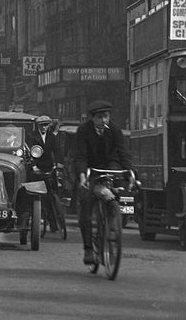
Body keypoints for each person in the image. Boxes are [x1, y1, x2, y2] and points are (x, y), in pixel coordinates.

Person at [71, 100, 134, 265]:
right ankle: (88, 249)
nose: (104, 121)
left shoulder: (114, 129)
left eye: (106, 117)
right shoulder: (83, 131)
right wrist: (83, 176)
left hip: (111, 165)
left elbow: (123, 151)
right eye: (100, 117)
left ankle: (113, 220)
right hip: (90, 168)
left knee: (120, 189)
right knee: (86, 204)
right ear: (92, 118)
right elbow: (80, 156)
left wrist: (129, 171)